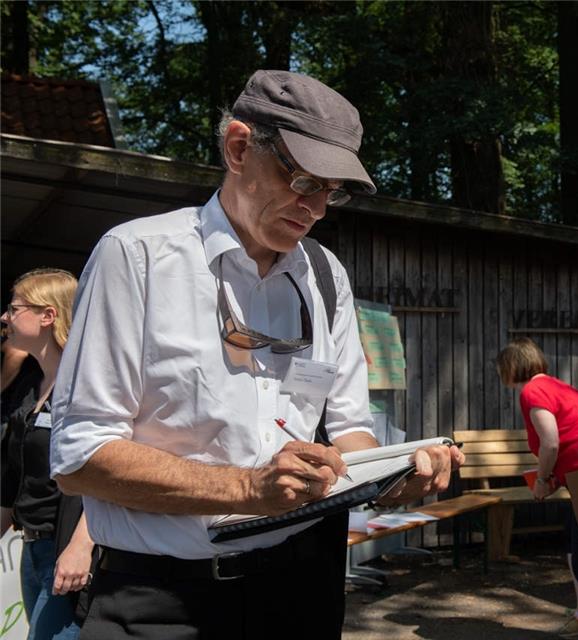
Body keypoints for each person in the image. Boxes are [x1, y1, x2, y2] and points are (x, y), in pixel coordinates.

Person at [49, 69, 463, 639]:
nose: (316, 208)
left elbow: (348, 429)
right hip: (164, 599)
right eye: (302, 180)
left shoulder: (323, 273)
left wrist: (390, 477)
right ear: (239, 147)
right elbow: (78, 456)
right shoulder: (138, 255)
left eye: (331, 190)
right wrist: (247, 489)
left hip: (302, 589)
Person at [496, 338, 578, 638]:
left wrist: (541, 480)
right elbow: (576, 435)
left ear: (511, 366)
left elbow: (551, 441)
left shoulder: (531, 391)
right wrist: (554, 477)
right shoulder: (560, 387)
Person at [1, 268, 95, 640]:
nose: (5, 317)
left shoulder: (87, 384)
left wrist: (79, 548)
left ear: (47, 315)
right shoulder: (30, 385)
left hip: (66, 553)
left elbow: (102, 476)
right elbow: (15, 477)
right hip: (33, 550)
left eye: (13, 307)